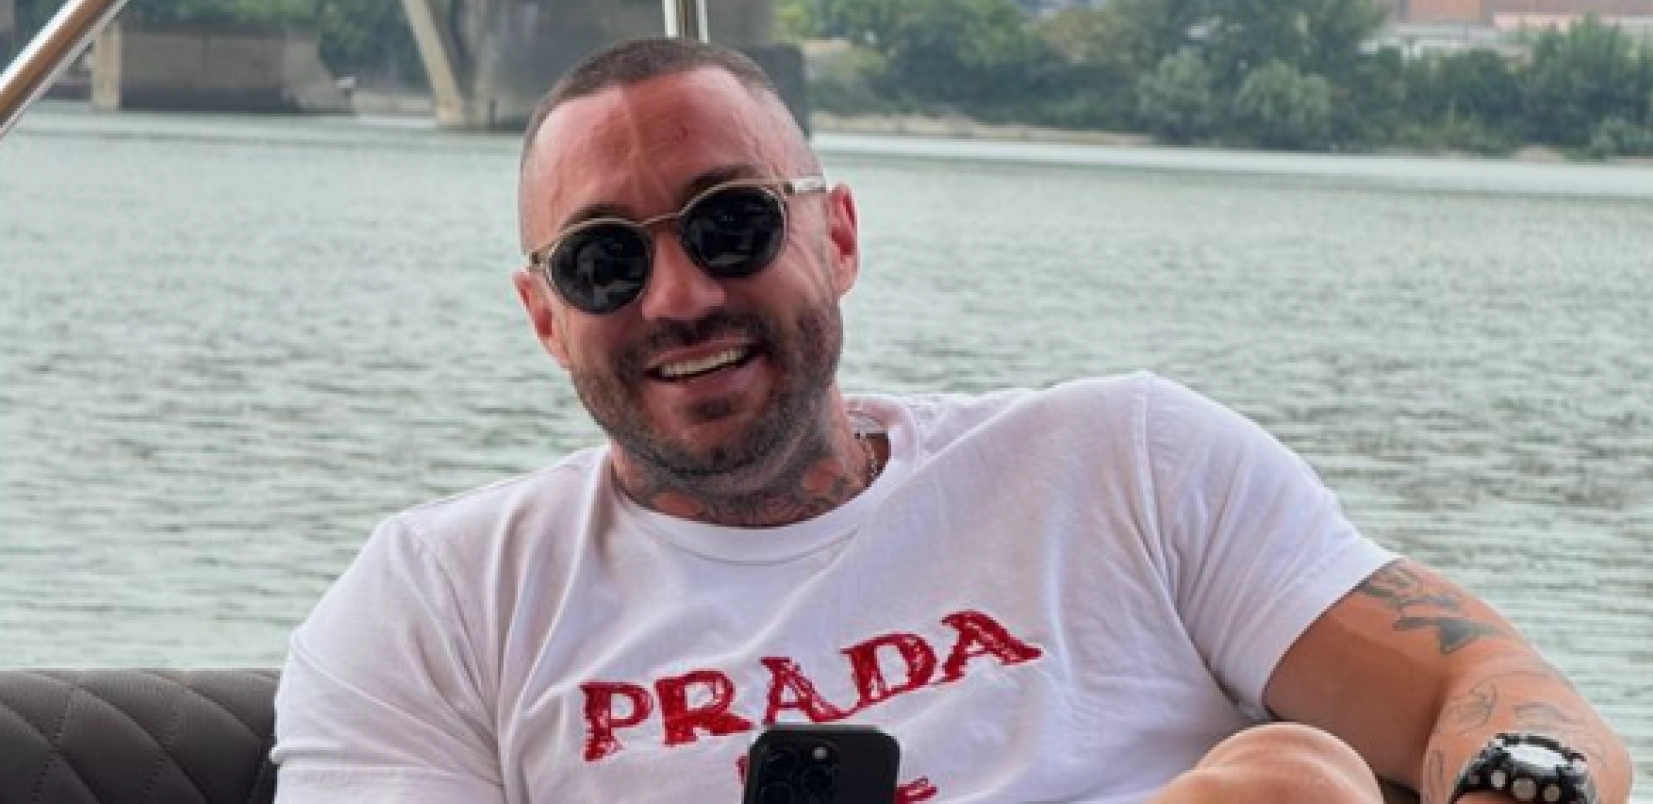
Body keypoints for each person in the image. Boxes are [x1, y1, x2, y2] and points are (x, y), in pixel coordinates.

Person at [270, 37, 1632, 804]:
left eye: (733, 224)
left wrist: (1524, 788)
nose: (679, 297)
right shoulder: (438, 600)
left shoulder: (1127, 462)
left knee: (1293, 782)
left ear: (838, 236)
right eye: (604, 262)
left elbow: (1479, 685)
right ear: (544, 314)